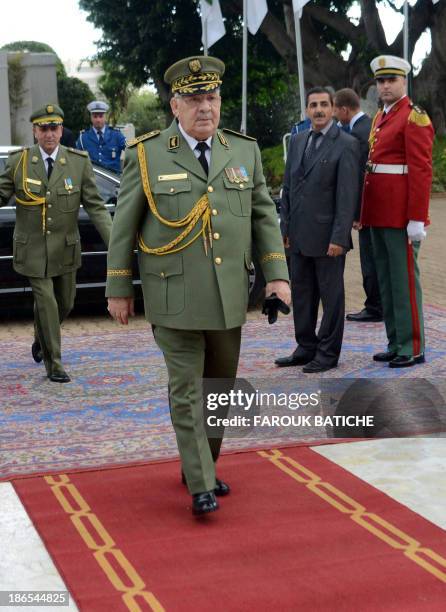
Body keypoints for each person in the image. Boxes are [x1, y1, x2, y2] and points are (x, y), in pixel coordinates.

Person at [105, 55, 290, 516]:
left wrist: (277, 277)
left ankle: (200, 463)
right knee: (187, 389)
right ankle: (202, 485)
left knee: (220, 390)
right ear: (175, 105)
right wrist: (118, 286)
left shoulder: (242, 151)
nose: (204, 107)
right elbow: (123, 225)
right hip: (174, 294)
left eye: (211, 97)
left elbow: (264, 215)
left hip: (229, 296)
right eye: (194, 99)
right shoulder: (146, 154)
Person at [0, 104, 112, 383]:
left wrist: (115, 243)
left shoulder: (78, 161)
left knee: (66, 303)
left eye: (54, 128)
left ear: (61, 131)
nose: (49, 134)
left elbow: (96, 206)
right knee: (47, 302)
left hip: (65, 248)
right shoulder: (19, 162)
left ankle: (41, 339)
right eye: (43, 128)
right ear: (35, 132)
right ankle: (55, 363)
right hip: (32, 249)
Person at [275, 87, 359, 373]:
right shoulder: (298, 141)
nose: (319, 110)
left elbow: (347, 197)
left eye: (325, 104)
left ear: (334, 108)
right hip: (297, 235)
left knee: (331, 297)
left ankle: (327, 353)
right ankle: (305, 347)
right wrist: (285, 228)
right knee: (302, 293)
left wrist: (339, 236)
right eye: (314, 105)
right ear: (307, 110)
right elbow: (287, 188)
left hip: (328, 239)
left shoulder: (346, 144)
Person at [361, 55, 434, 368]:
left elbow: (421, 170)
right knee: (387, 281)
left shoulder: (413, 117)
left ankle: (412, 346)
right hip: (378, 211)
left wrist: (417, 217)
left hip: (400, 215)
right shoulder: (381, 116)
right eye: (381, 81)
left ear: (404, 81)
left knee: (403, 281)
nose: (385, 86)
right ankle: (395, 341)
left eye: (391, 80)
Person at [333, 88, 382, 323]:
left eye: (334, 108)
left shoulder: (360, 132)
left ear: (344, 109)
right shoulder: (366, 126)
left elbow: (361, 176)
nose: (333, 113)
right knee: (372, 257)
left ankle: (375, 306)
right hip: (371, 206)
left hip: (368, 208)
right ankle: (376, 304)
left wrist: (356, 212)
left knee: (370, 259)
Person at [76, 101, 126, 174]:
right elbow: (77, 161)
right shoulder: (83, 138)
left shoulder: (116, 135)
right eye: (95, 116)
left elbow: (130, 149)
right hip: (92, 180)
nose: (98, 120)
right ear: (91, 118)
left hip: (113, 181)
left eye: (101, 116)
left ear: (105, 117)